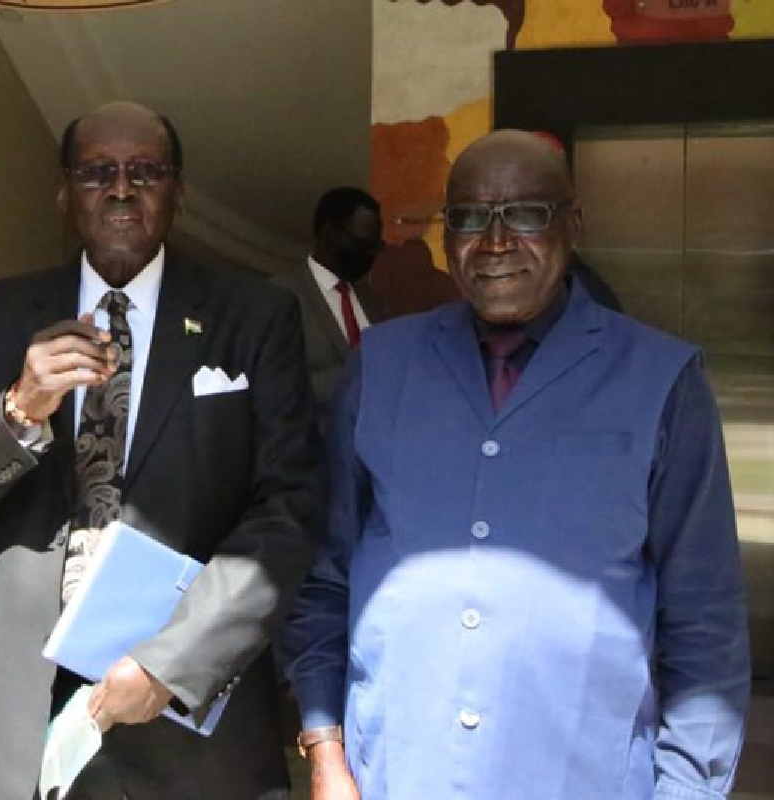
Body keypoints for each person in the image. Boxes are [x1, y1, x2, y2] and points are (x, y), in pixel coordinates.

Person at [282, 129, 749, 799]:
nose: (495, 241)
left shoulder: (661, 380)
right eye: (470, 217)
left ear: (574, 224)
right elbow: (325, 580)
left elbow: (705, 617)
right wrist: (325, 747)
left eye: (526, 214)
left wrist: (689, 790)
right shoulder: (381, 368)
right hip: (397, 772)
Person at [0, 101, 317, 799]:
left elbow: (290, 509)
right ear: (65, 193)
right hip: (30, 715)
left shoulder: (255, 317)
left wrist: (172, 661)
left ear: (178, 191)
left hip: (193, 718)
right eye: (97, 172)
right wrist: (19, 409)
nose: (121, 190)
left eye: (145, 172)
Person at [274, 187, 382, 431]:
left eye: (375, 247)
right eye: (360, 243)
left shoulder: (373, 301)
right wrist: (363, 378)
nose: (368, 255)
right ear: (328, 232)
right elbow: (278, 384)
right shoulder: (282, 295)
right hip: (314, 444)